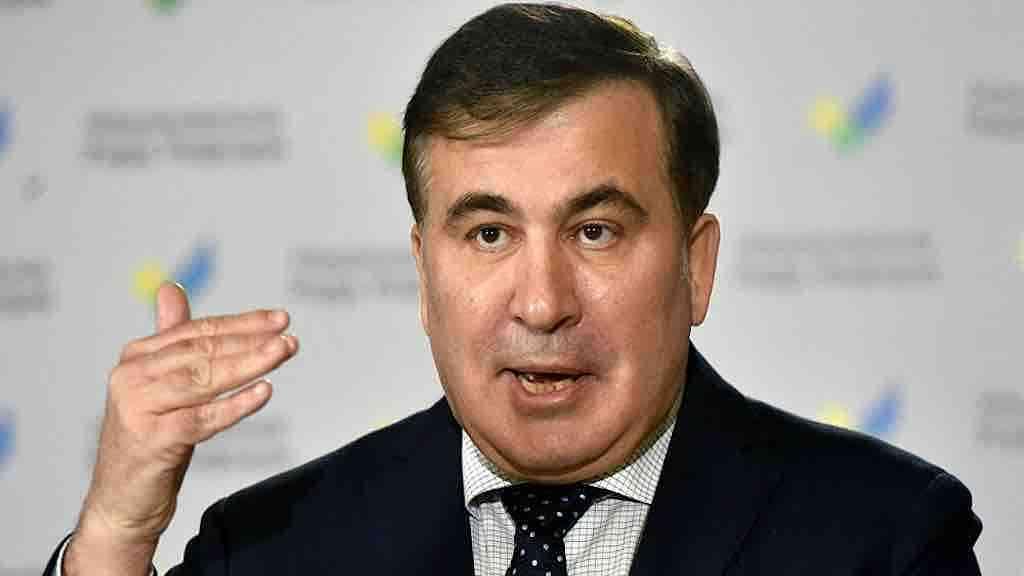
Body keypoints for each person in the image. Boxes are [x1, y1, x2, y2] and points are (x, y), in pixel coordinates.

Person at [47, 4, 982, 575]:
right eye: (488, 234)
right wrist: (114, 541)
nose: (542, 303)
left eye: (595, 231)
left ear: (695, 266)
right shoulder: (274, 551)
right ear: (425, 274)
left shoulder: (884, 540)